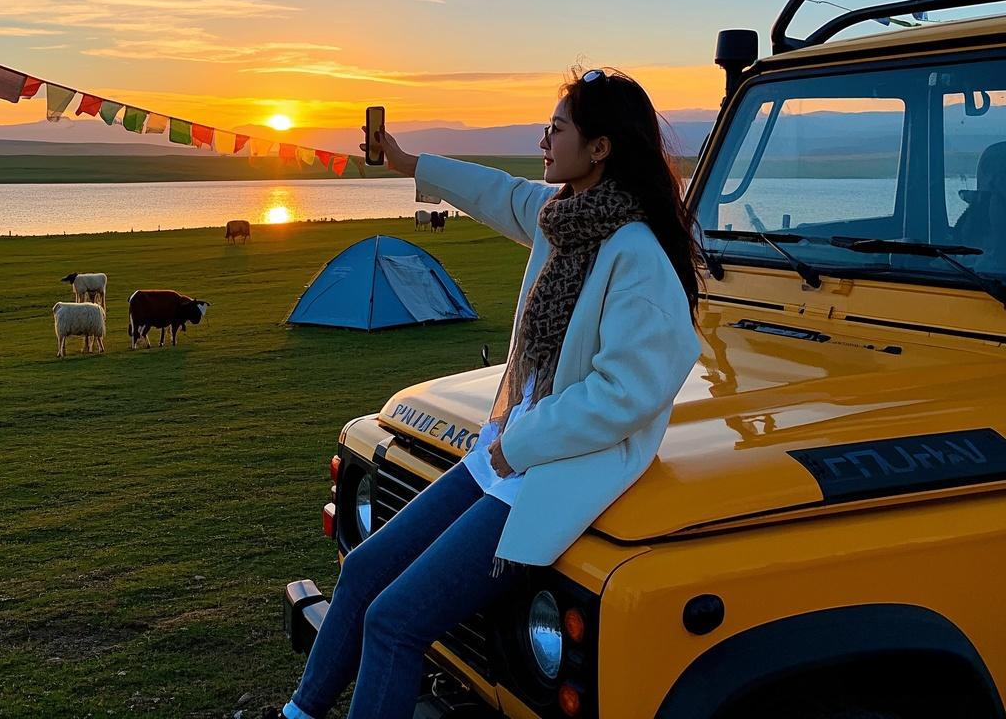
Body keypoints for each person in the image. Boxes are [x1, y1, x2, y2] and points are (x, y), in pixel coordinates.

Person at [276, 66, 704, 719]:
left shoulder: (637, 255)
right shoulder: (566, 219)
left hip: (550, 471)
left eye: (556, 129)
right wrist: (407, 161)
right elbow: (497, 193)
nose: (543, 140)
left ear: (600, 148)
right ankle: (299, 712)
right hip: (505, 457)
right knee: (364, 572)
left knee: (395, 620)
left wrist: (520, 445)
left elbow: (626, 395)